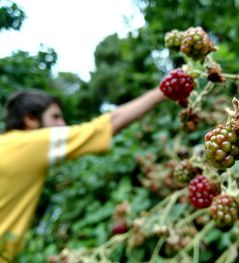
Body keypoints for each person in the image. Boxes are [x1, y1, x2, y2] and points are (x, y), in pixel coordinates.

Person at [0, 87, 166, 262]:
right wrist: (163, 90)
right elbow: (106, 125)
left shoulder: (7, 145)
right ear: (31, 119)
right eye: (55, 117)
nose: (62, 125)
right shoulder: (29, 144)